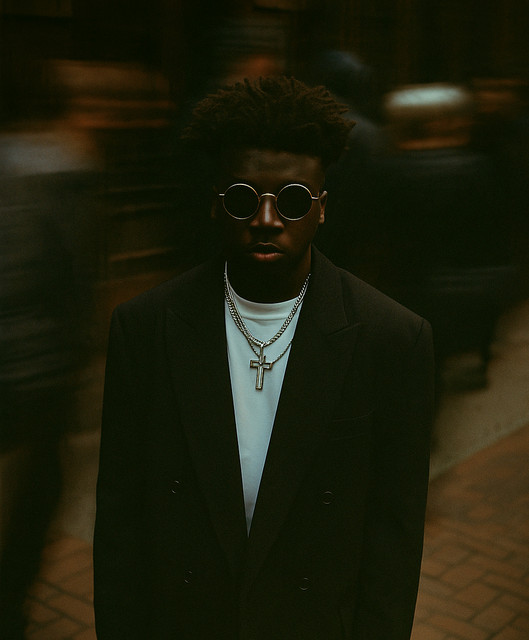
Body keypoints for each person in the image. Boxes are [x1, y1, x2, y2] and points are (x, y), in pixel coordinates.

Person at [94, 76, 435, 640]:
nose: (268, 220)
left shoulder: (392, 339)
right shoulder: (145, 329)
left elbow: (393, 537)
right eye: (244, 198)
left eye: (293, 200)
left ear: (321, 210)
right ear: (216, 205)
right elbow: (120, 520)